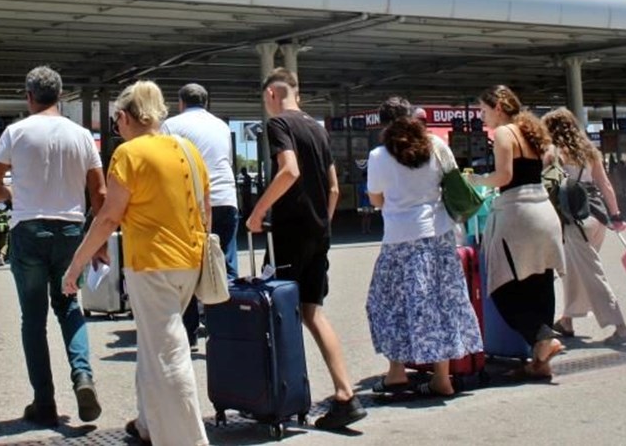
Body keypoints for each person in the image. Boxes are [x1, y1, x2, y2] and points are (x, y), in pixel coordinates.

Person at [63, 81, 211, 444]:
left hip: (152, 263)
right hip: (189, 262)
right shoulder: (188, 149)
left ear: (125, 117)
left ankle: (188, 439)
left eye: (116, 121)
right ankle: (148, 424)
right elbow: (207, 211)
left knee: (169, 355)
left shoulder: (129, 155)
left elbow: (109, 217)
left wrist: (76, 265)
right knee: (152, 345)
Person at [0, 66, 107, 427]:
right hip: (71, 231)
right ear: (62, 96)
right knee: (69, 306)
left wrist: (13, 193)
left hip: (29, 230)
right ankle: (83, 377)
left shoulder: (15, 132)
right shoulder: (82, 135)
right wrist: (99, 243)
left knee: (33, 319)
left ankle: (44, 402)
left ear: (28, 96)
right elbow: (99, 193)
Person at [245, 68, 367, 429]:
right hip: (318, 233)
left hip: (289, 233)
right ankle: (345, 393)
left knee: (277, 311)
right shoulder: (317, 128)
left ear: (270, 94)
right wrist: (323, 225)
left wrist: (258, 211)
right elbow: (332, 188)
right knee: (313, 311)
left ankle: (280, 399)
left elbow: (289, 171)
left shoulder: (278, 125)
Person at [365, 97, 483, 398]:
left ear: (383, 124)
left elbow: (376, 199)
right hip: (439, 234)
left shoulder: (379, 155)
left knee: (388, 303)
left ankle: (396, 373)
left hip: (399, 238)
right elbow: (454, 182)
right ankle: (442, 377)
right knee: (439, 302)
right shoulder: (436, 146)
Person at [466, 85, 565, 379]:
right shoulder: (530, 131)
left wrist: (477, 179)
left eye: (484, 111)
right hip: (544, 212)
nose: (483, 118)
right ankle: (540, 361)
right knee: (540, 281)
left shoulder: (505, 133)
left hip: (518, 214)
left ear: (498, 107)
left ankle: (544, 339)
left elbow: (505, 176)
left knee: (503, 286)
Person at [541, 109, 626, 346]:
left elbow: (546, 185)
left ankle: (621, 327)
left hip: (573, 220)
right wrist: (616, 216)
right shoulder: (589, 152)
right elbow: (606, 185)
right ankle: (567, 320)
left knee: (591, 273)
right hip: (596, 217)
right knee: (577, 270)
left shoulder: (553, 153)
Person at [160, 82, 240, 347]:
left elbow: (166, 167)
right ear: (207, 102)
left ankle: (190, 332)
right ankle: (227, 328)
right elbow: (226, 160)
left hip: (191, 203)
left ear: (180, 102)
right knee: (224, 262)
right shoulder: (221, 125)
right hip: (226, 199)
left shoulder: (171, 126)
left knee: (189, 265)